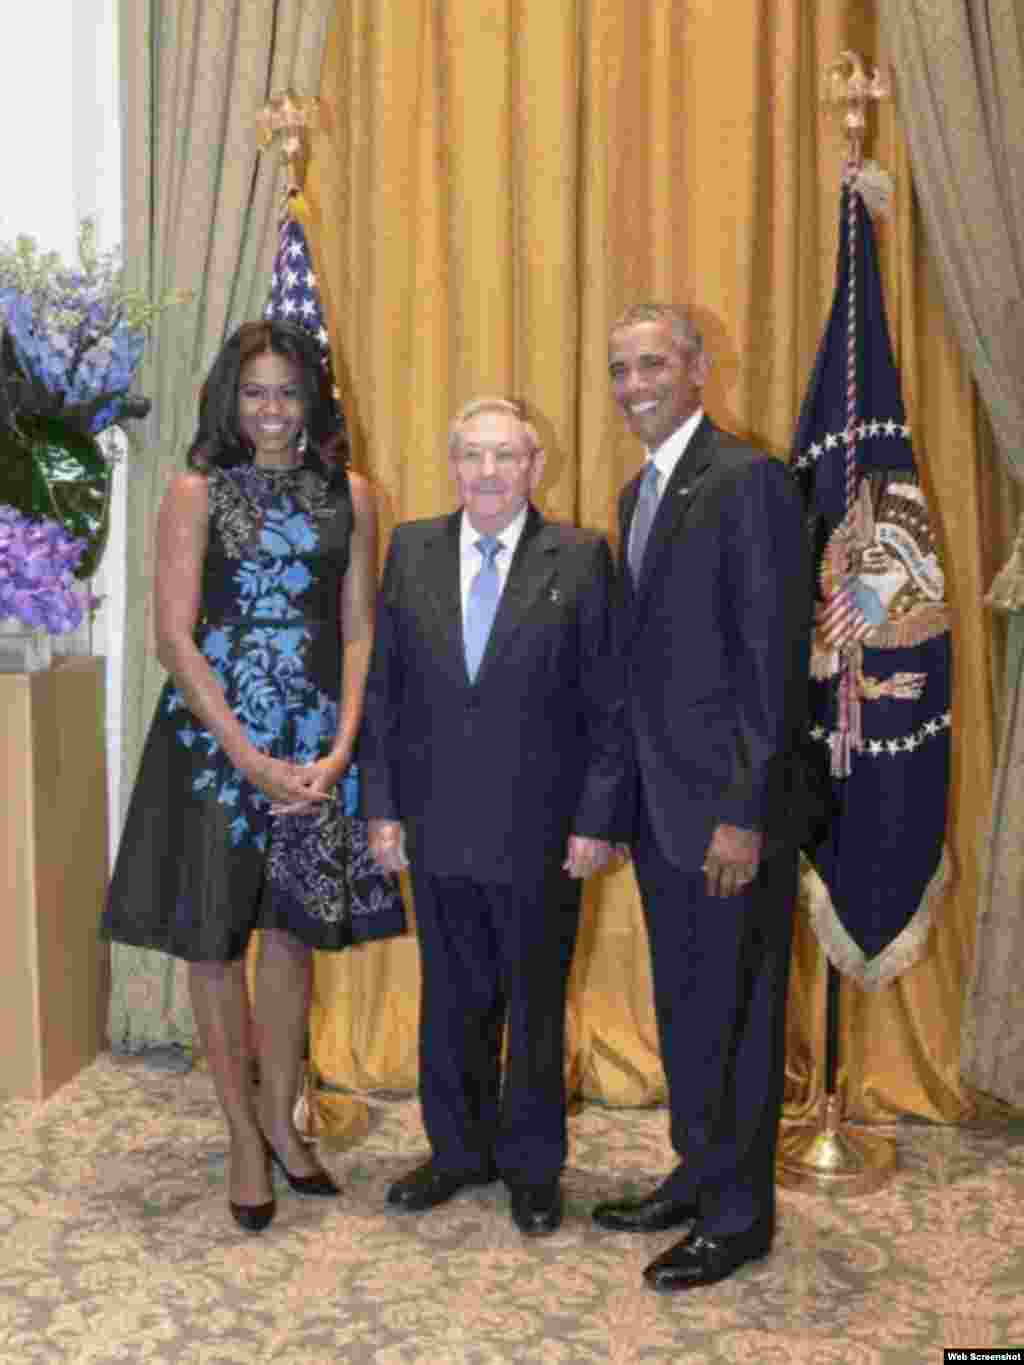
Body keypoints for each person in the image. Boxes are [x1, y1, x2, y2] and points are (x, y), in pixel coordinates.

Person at [102, 320, 405, 1232]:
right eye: (254, 392)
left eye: (286, 391)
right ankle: (240, 1131)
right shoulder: (195, 491)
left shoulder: (352, 494)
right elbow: (172, 635)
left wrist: (344, 742)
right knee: (213, 941)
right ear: (229, 402)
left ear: (312, 398)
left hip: (313, 744)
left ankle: (281, 1112)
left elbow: (358, 628)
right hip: (216, 745)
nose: (271, 411)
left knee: (290, 934)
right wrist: (243, 749)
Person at [361, 397, 629, 1236]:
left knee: (534, 1004)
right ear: (452, 464)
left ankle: (533, 1166)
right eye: (472, 456)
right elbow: (386, 695)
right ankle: (455, 1152)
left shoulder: (581, 557)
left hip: (544, 833)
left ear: (533, 466)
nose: (486, 472)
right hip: (436, 824)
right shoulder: (409, 550)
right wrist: (382, 809)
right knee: (451, 997)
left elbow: (610, 706)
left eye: (504, 457)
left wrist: (596, 819)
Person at [592, 304, 813, 1291]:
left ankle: (737, 1216)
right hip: (660, 809)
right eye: (618, 368)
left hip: (726, 815)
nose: (634, 382)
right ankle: (696, 1170)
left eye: (652, 363)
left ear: (697, 370)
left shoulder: (748, 480)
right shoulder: (637, 490)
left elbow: (771, 664)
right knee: (685, 1008)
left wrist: (743, 811)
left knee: (736, 1013)